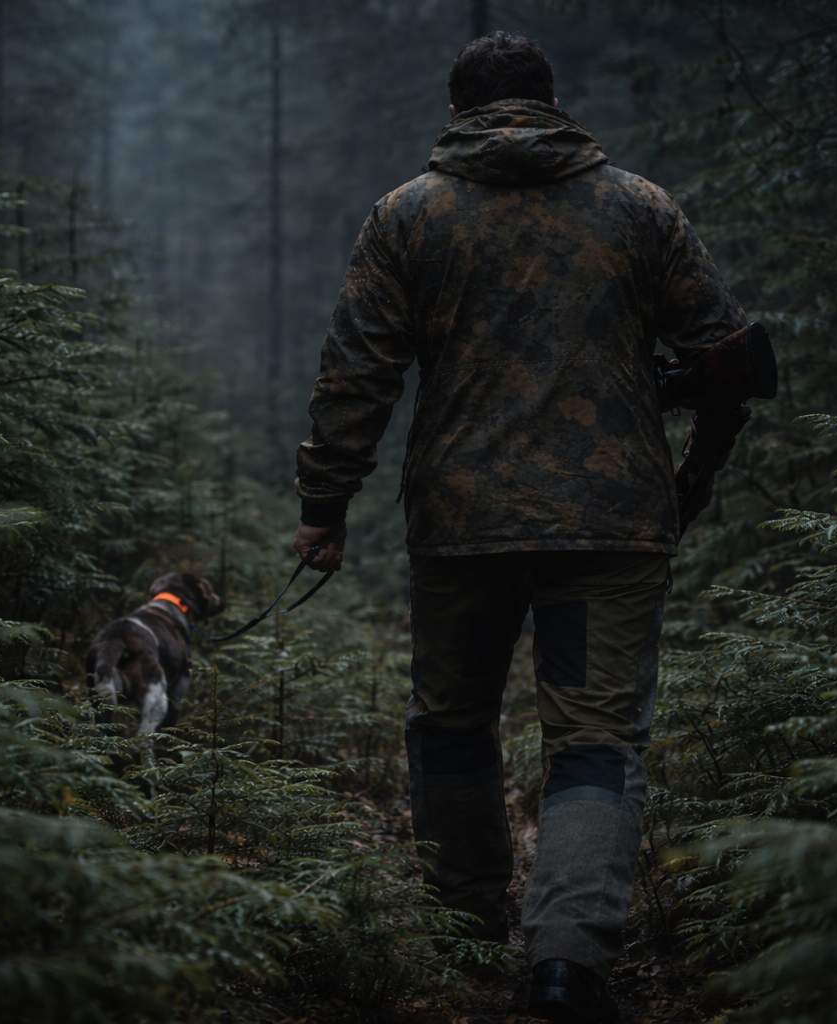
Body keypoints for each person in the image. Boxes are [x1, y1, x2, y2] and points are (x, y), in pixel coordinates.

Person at [289, 31, 753, 1024]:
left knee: (452, 721)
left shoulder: (410, 216)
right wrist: (688, 467)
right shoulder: (636, 207)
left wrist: (325, 508)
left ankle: (463, 929)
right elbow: (729, 357)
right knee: (592, 741)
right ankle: (567, 960)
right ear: (550, 103)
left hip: (462, 528)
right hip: (609, 527)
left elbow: (357, 377)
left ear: (459, 112)